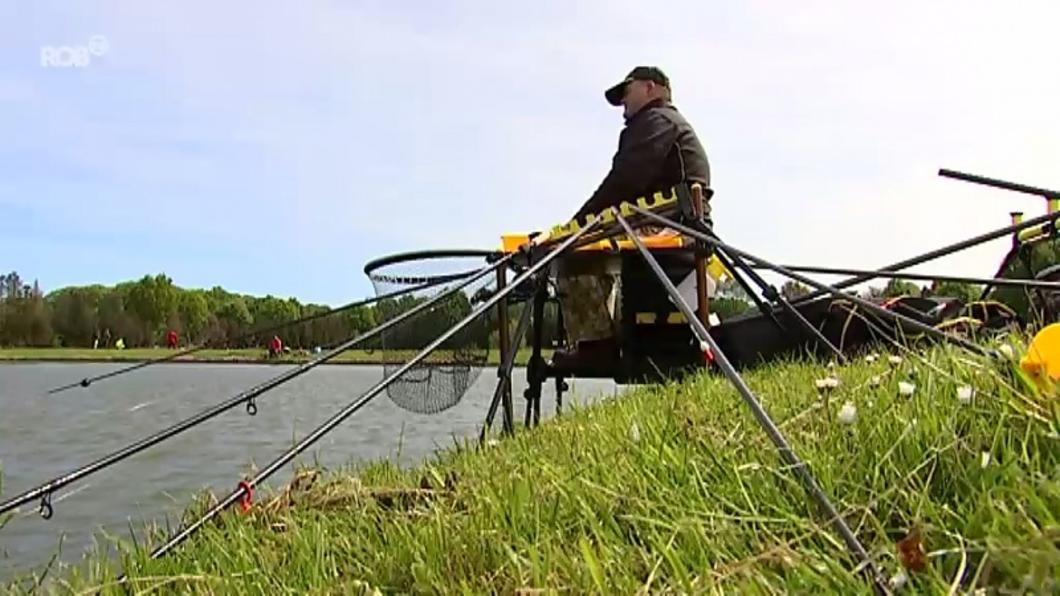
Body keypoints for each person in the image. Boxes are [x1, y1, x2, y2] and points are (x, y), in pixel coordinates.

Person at [551, 66, 711, 370]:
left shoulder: (657, 120)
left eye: (627, 90)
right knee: (589, 247)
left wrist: (572, 230)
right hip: (670, 227)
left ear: (651, 87)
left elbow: (623, 183)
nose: (623, 101)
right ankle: (608, 341)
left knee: (574, 256)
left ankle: (596, 347)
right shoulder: (659, 123)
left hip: (674, 230)